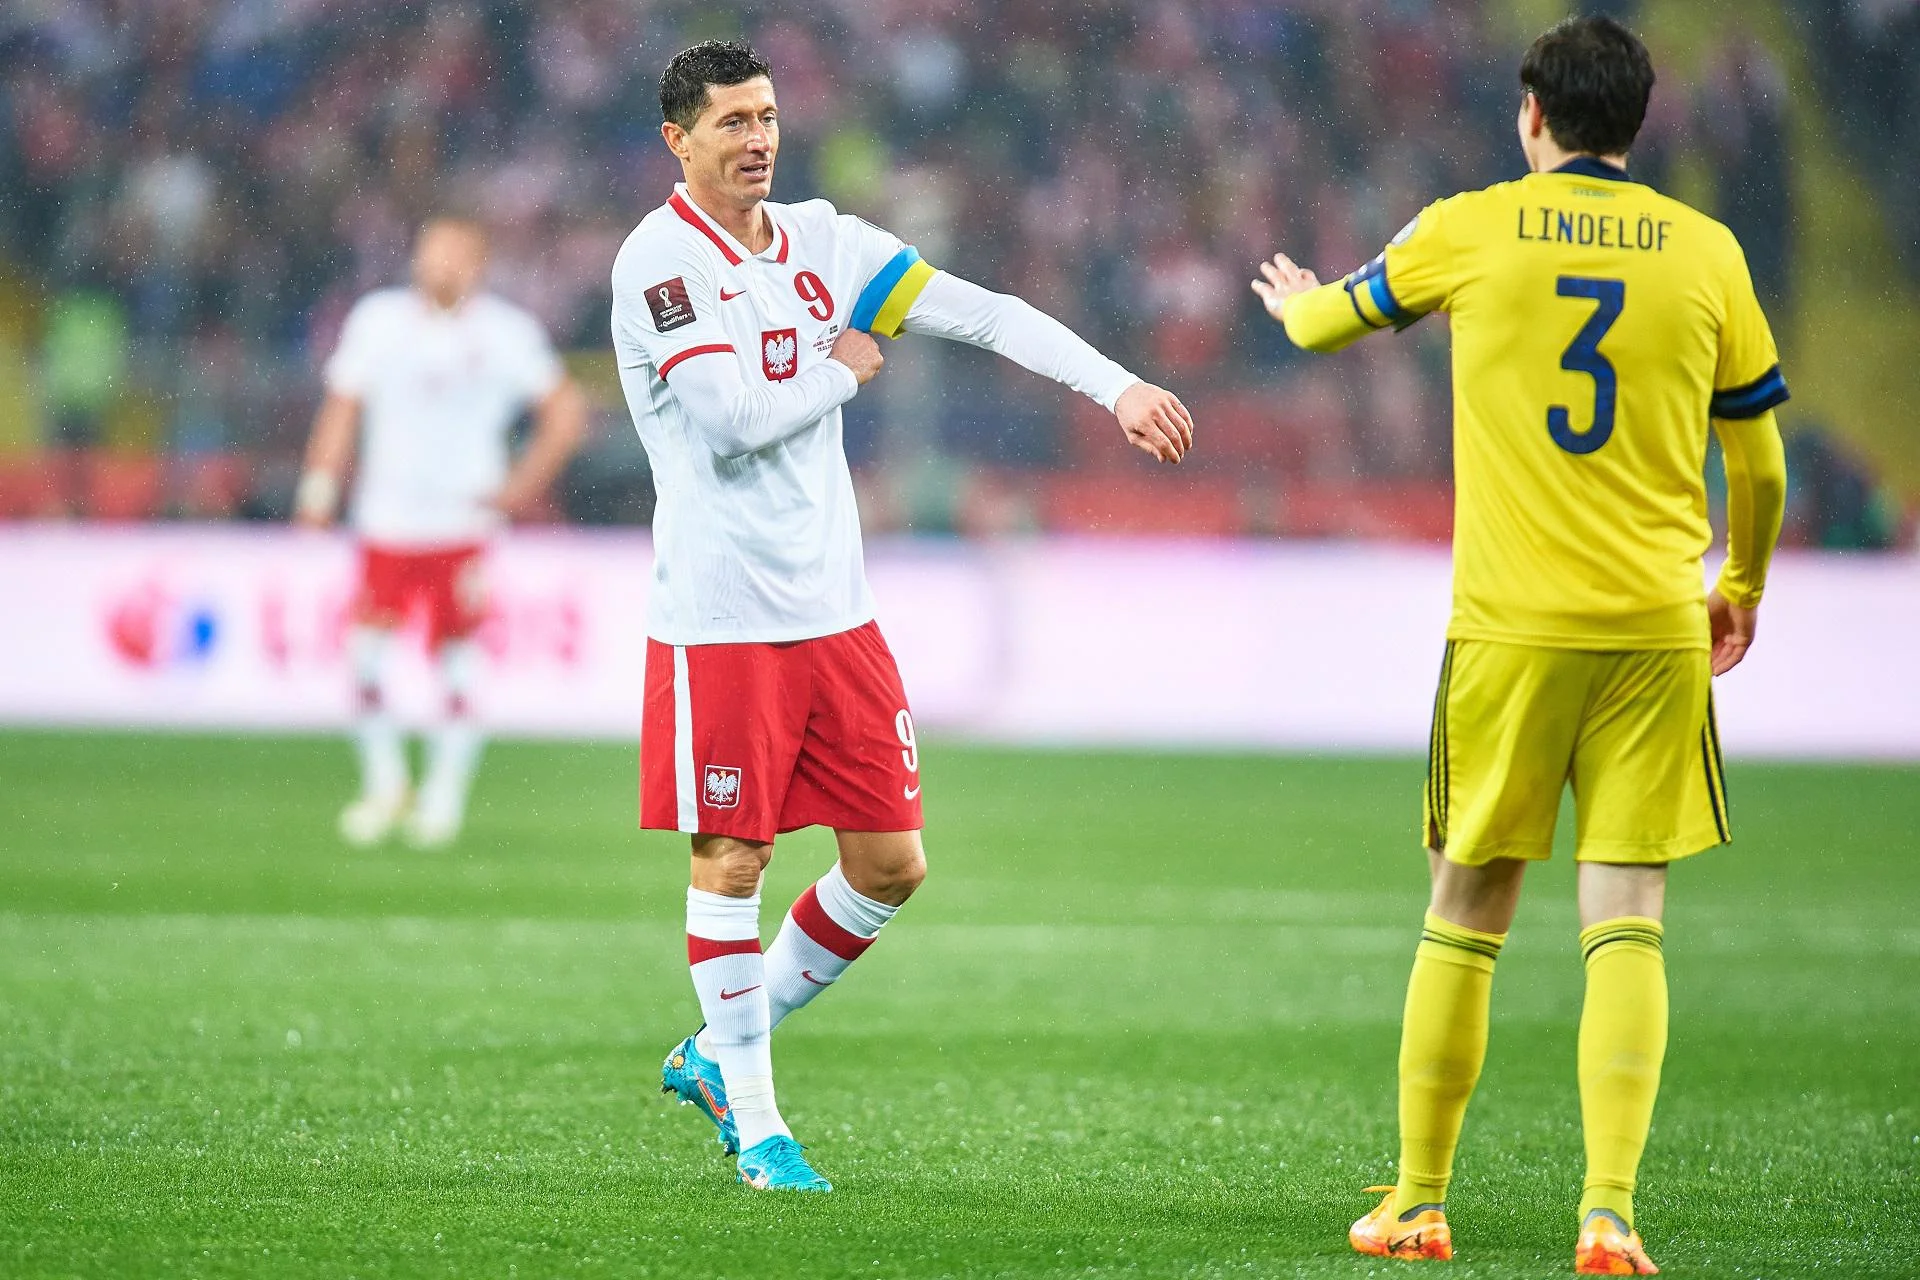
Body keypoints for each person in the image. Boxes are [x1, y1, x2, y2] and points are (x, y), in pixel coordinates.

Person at [1250, 16, 1788, 1276]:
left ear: (1533, 113)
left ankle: (1419, 1201)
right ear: (1638, 123)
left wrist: (1291, 300)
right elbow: (1760, 460)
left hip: (1511, 627)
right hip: (1654, 626)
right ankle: (1608, 1212)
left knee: (1467, 902)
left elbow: (1325, 327)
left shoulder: (1471, 226)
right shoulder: (1707, 251)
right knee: (1629, 913)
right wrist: (1742, 585)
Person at [612, 40, 1193, 1193]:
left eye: (767, 116)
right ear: (678, 141)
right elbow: (730, 420)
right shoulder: (659, 262)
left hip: (837, 609)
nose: (758, 139)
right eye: (731, 122)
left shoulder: (824, 242)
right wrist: (844, 371)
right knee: (734, 855)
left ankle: (720, 1049)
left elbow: (985, 315)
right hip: (721, 620)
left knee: (889, 863)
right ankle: (761, 1128)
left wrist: (1116, 385)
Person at [297, 218, 588, 849]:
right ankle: (385, 786)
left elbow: (566, 412)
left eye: (454, 255)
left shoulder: (506, 334)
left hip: (462, 527)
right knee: (364, 657)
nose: (439, 265)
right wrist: (319, 487)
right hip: (386, 522)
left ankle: (443, 797)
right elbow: (342, 405)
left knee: (457, 663)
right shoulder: (377, 322)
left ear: (478, 264)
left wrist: (520, 486)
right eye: (430, 253)